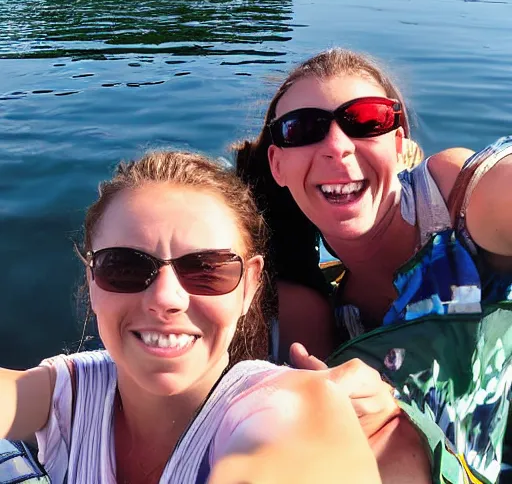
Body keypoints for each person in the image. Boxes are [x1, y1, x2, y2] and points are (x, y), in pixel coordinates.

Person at [0, 150, 436, 484]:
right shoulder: (71, 393)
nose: (166, 298)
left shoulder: (277, 402)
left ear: (250, 287)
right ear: (92, 279)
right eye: (125, 267)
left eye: (206, 269)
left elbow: (294, 439)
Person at [234, 47, 512, 484]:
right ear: (277, 164)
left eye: (366, 121)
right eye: (303, 129)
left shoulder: (454, 199)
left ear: (399, 144)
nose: (337, 147)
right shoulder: (306, 296)